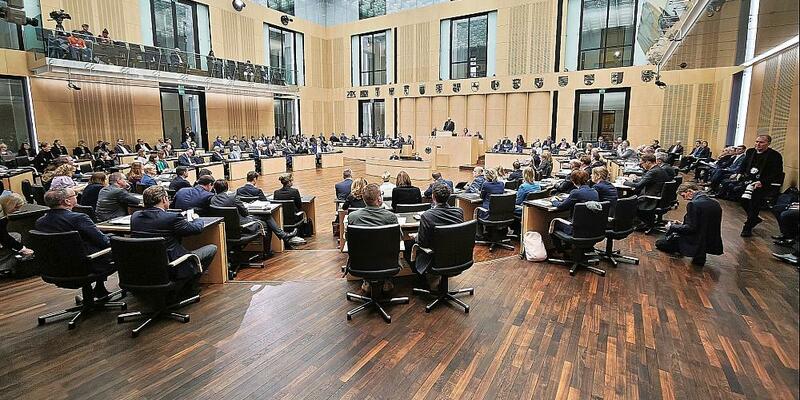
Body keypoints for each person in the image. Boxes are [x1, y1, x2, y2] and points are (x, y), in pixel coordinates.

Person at [131, 186, 217, 298]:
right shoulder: (172, 217)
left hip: (144, 266)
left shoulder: (135, 216)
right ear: (164, 199)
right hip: (171, 265)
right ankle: (188, 288)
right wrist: (197, 218)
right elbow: (196, 229)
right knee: (211, 248)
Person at [35, 188, 117, 297]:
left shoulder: (40, 222)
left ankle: (99, 289)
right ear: (67, 201)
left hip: (55, 268)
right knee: (120, 248)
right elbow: (104, 242)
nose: (76, 197)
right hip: (85, 266)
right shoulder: (79, 218)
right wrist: (115, 237)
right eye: (75, 195)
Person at [655, 183, 723, 266]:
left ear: (689, 191)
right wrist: (682, 223)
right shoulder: (715, 203)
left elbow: (690, 228)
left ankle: (681, 248)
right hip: (709, 241)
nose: (685, 199)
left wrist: (672, 226)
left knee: (660, 243)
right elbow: (702, 223)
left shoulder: (693, 204)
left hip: (694, 240)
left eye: (683, 196)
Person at [210, 179, 296, 243]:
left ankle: (283, 236)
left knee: (265, 217)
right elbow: (245, 213)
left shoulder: (212, 199)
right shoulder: (233, 197)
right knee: (266, 219)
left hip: (224, 229)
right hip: (242, 226)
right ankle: (270, 249)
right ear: (227, 188)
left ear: (215, 189)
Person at [738, 134, 784, 237]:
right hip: (748, 181)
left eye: (761, 142)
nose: (758, 144)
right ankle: (754, 218)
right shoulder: (750, 152)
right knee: (743, 200)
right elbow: (744, 164)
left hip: (763, 184)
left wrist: (762, 182)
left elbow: (776, 173)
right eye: (757, 141)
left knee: (754, 204)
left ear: (768, 143)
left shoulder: (775, 156)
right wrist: (739, 173)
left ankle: (747, 227)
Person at [414, 182, 464, 275]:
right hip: (456, 258)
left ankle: (421, 279)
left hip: (435, 260)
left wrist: (416, 237)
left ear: (433, 197)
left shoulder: (427, 216)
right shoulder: (459, 212)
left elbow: (422, 243)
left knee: (409, 245)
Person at [623, 154, 671, 230]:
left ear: (648, 162)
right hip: (660, 198)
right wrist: (635, 179)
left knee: (629, 200)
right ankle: (643, 221)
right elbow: (646, 181)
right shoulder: (659, 169)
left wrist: (624, 182)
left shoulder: (653, 172)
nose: (642, 166)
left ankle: (640, 223)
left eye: (642, 163)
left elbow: (638, 186)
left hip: (651, 199)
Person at [0, 194, 33, 274]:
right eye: (16, 207)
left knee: (16, 236)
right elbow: (4, 238)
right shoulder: (1, 219)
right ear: (10, 205)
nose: (17, 210)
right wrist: (22, 248)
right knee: (14, 241)